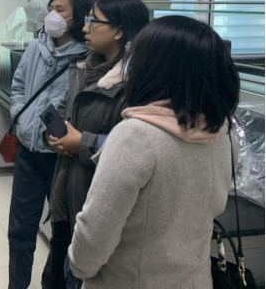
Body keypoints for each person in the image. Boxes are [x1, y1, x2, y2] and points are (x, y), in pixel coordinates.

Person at [68, 16, 241, 289]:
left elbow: (93, 240)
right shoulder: (223, 134)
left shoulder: (136, 136)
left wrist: (78, 266)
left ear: (154, 68)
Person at [47, 0, 150, 288]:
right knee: (56, 275)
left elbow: (134, 148)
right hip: (67, 195)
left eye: (94, 21)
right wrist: (55, 134)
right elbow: (65, 109)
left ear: (119, 31)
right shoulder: (85, 68)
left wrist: (82, 143)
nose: (84, 28)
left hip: (97, 205)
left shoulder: (135, 84)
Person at [7, 0, 93, 289]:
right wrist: (21, 117)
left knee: (62, 231)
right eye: (51, 8)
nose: (52, 16)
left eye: (60, 10)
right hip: (28, 153)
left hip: (61, 157)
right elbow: (18, 85)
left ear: (77, 18)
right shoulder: (36, 47)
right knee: (20, 230)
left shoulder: (87, 59)